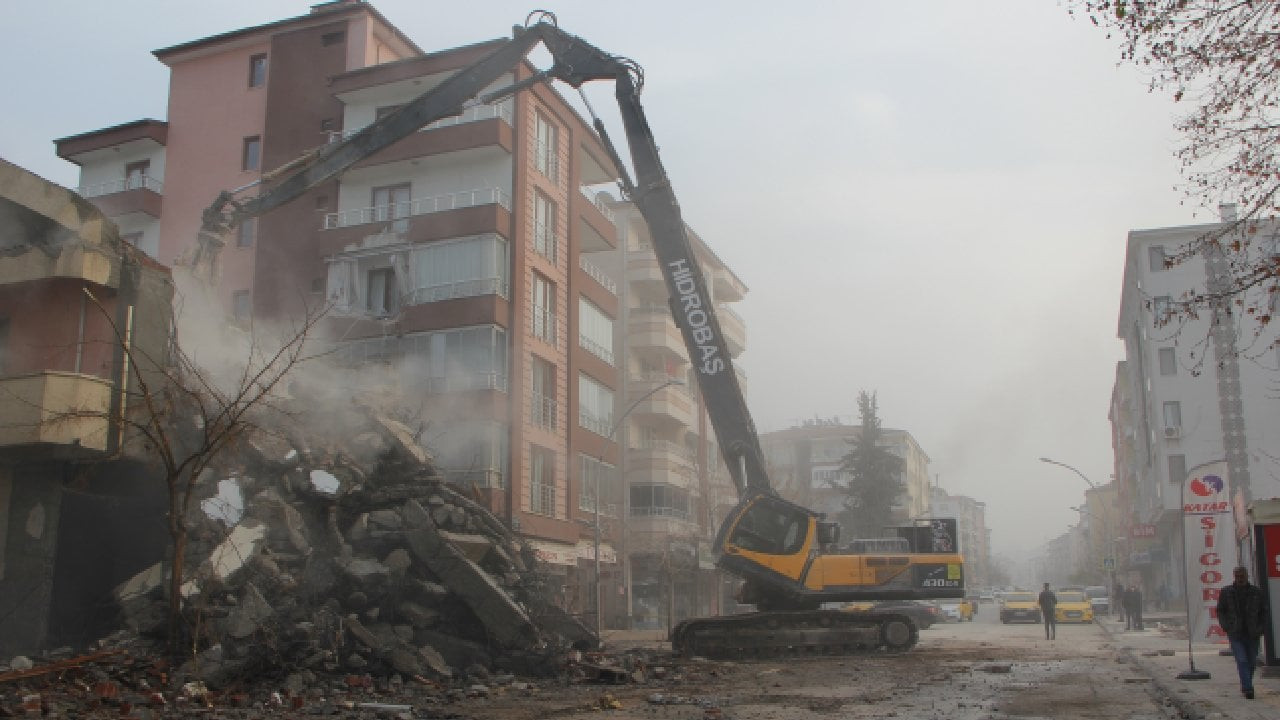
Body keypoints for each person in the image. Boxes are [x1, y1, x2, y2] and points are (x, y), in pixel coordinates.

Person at [1216, 566, 1268, 700]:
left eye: (1242, 576)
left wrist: (1261, 627)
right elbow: (1221, 610)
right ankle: (1248, 687)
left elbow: (1264, 611)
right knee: (1242, 659)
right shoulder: (1227, 592)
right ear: (1234, 576)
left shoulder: (1256, 592)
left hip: (1253, 633)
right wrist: (1226, 625)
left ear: (1247, 576)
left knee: (1251, 662)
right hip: (1236, 632)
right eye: (1237, 576)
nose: (1239, 579)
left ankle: (1246, 681)